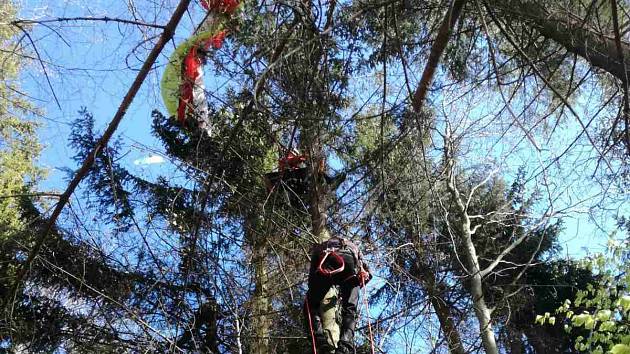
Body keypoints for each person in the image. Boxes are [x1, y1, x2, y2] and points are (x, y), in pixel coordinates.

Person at [304, 237, 371, 354]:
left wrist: (314, 290)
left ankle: (321, 342)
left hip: (327, 261)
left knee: (310, 305)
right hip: (351, 265)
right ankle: (345, 347)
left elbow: (312, 280)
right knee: (350, 309)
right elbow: (368, 274)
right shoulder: (353, 247)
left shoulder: (321, 248)